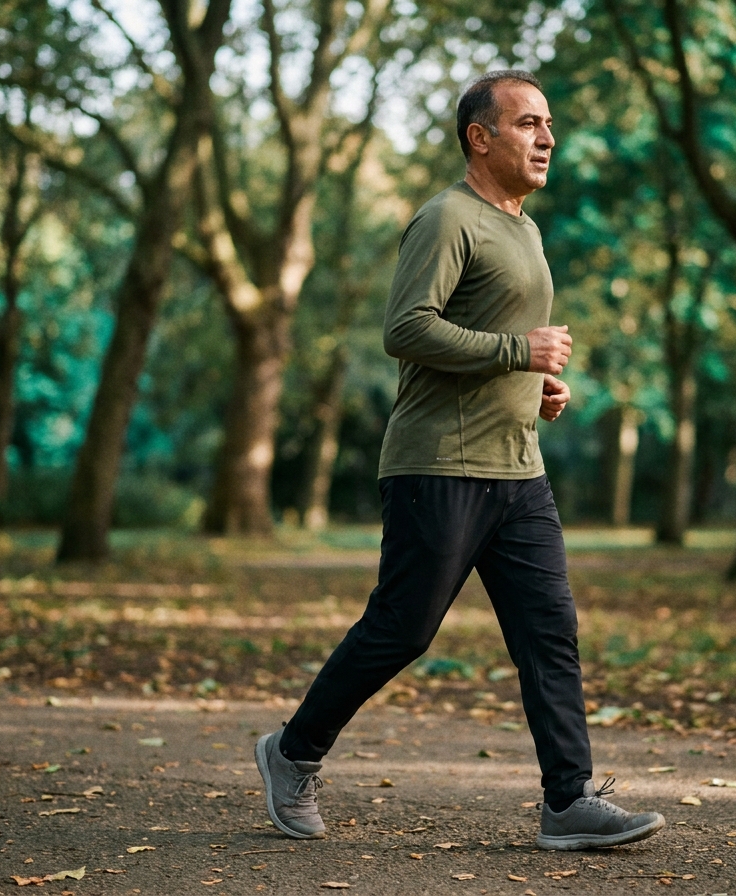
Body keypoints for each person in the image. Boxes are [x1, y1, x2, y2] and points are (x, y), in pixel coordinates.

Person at [254, 70, 664, 851]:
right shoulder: (447, 220)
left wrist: (537, 385)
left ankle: (568, 800)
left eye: (549, 123)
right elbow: (406, 329)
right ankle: (292, 752)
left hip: (519, 468)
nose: (547, 138)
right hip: (437, 464)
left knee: (550, 632)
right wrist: (518, 350)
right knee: (402, 629)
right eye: (528, 123)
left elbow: (495, 346)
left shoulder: (527, 229)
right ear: (481, 137)